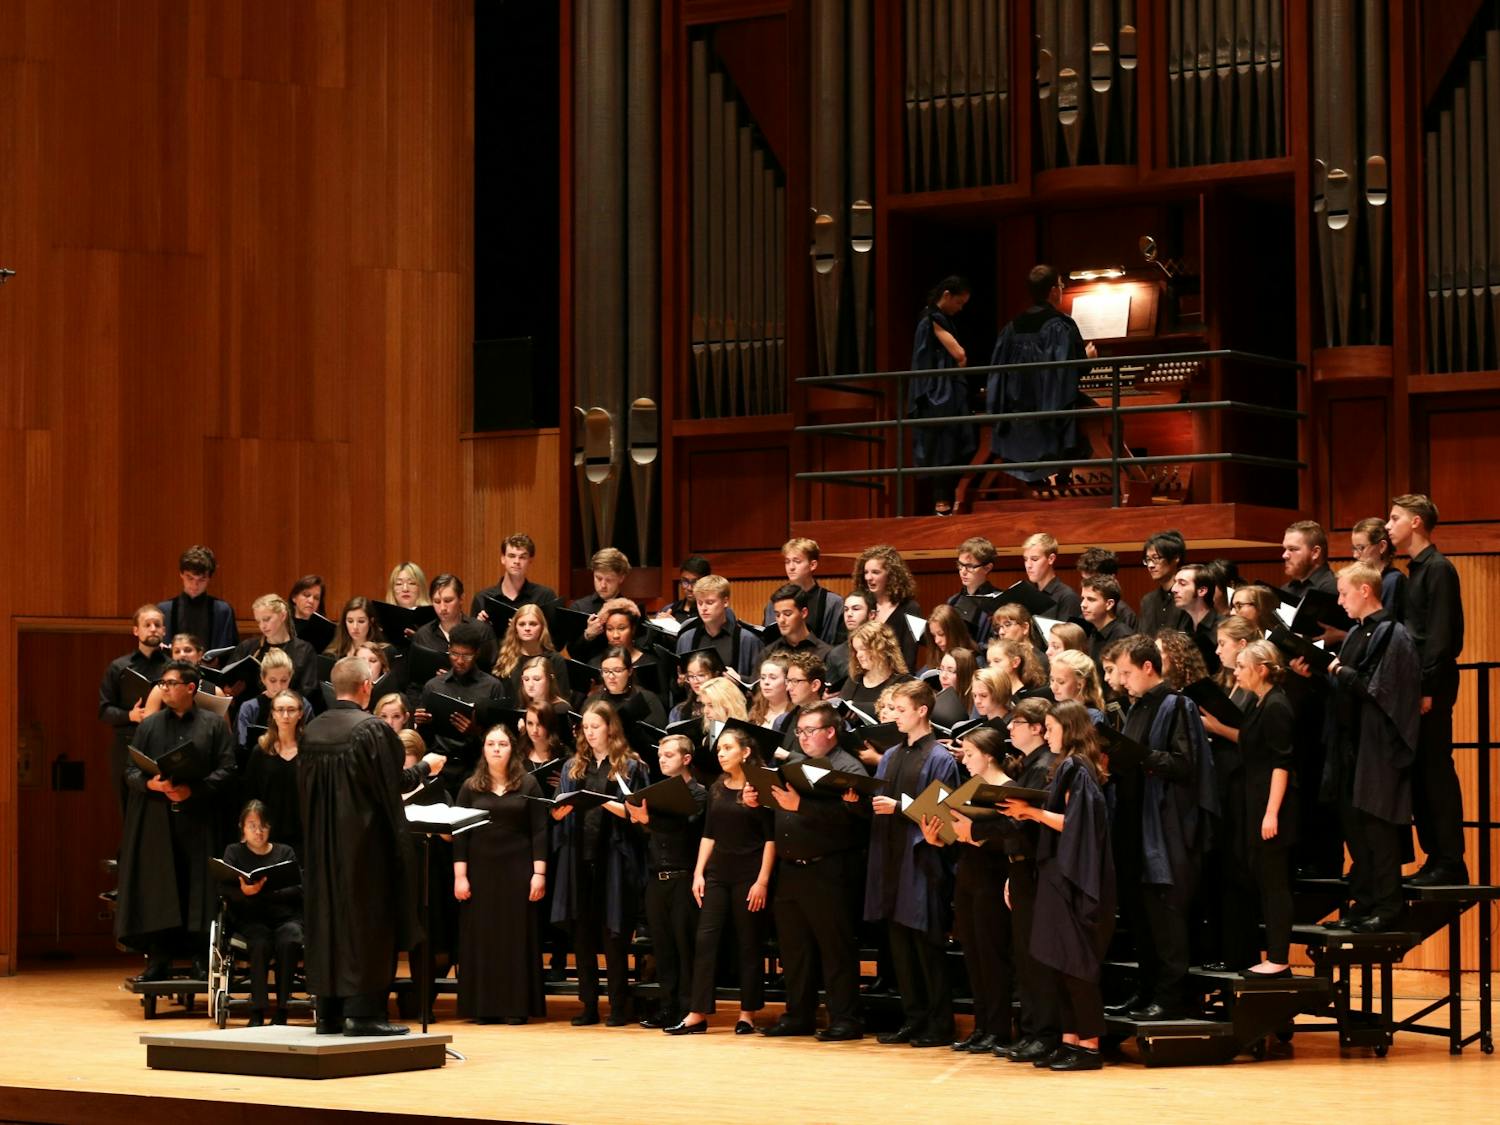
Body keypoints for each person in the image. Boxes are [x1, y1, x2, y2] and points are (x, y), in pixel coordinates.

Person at [298, 655, 443, 1036]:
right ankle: (363, 1014)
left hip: (320, 847)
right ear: (367, 687)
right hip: (363, 848)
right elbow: (392, 783)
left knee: (328, 921)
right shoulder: (371, 730)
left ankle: (328, 1011)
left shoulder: (311, 731)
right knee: (366, 924)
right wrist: (427, 767)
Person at [1001, 700, 1115, 1071]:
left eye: (1050, 728)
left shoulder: (1077, 768)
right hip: (1056, 875)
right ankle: (1070, 1041)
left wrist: (1029, 812)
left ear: (1069, 728)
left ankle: (1090, 1045)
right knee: (1060, 962)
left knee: (1077, 964)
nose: (1046, 734)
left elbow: (1075, 824)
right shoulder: (1065, 768)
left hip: (1073, 879)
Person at [1108, 637, 1215, 1022]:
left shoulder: (1177, 705)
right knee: (1141, 918)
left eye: (1126, 673)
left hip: (1165, 829)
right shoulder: (1135, 707)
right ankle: (1147, 990)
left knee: (1166, 918)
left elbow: (1186, 764)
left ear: (1148, 668)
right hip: (1133, 825)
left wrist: (1140, 756)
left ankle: (1172, 997)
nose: (1121, 681)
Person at [752, 702, 870, 1041]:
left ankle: (845, 1019)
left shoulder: (849, 769)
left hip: (829, 869)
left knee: (835, 948)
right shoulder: (795, 765)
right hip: (791, 870)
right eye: (799, 732)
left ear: (830, 732)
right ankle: (799, 1015)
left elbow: (857, 822)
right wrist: (760, 799)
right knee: (795, 949)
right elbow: (782, 811)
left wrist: (800, 806)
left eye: (809, 731)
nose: (802, 737)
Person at [116, 660, 237, 981]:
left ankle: (200, 957)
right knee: (160, 888)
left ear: (190, 688)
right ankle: (159, 959)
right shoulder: (150, 726)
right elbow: (130, 771)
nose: (164, 689)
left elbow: (227, 770)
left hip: (199, 819)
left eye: (171, 683)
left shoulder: (213, 725)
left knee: (198, 888)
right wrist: (149, 784)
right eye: (163, 684)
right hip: (158, 821)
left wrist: (192, 791)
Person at [1320, 563, 1422, 930]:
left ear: (1365, 590)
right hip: (1351, 745)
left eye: (1344, 593)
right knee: (1355, 827)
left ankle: (1389, 906)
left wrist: (1338, 672)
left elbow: (1381, 691)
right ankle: (1363, 903)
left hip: (1378, 748)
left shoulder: (1393, 635)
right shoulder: (1354, 635)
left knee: (1378, 827)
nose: (1340, 601)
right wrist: (1320, 671)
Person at [865, 680, 961, 1048]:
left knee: (926, 947)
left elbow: (944, 815)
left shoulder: (938, 757)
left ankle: (940, 1024)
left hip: (922, 863)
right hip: (890, 857)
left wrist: (900, 807)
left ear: (922, 711)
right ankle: (914, 1018)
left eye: (901, 710)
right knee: (900, 947)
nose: (895, 717)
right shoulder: (891, 755)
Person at [667, 724, 776, 1034]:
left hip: (749, 875)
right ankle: (698, 1012)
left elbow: (771, 840)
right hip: (718, 874)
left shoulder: (760, 789)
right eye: (719, 750)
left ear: (746, 752)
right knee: (705, 941)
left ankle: (747, 1014)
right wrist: (699, 872)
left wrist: (763, 881)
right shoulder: (717, 787)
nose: (721, 754)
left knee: (748, 942)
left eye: (728, 748)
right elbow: (709, 834)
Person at [550, 701, 649, 1025]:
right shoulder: (572, 767)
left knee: (614, 935)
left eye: (596, 727)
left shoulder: (630, 766)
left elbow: (639, 815)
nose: (590, 733)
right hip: (579, 858)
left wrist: (607, 803)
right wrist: (558, 812)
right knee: (583, 935)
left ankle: (619, 1006)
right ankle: (589, 1004)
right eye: (586, 728)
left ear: (610, 728)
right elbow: (559, 809)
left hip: (614, 859)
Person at [1386, 494, 1467, 886]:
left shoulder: (1439, 569)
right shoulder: (1415, 571)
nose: (1388, 526)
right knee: (1419, 774)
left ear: (1416, 522)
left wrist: (1427, 687)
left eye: (1395, 518)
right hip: (1415, 685)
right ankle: (1436, 857)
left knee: (1435, 772)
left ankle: (1450, 860)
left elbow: (1441, 636)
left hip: (1429, 686)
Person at [918, 726, 1015, 1054]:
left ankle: (999, 1030)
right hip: (969, 879)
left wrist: (970, 833)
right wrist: (939, 836)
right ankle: (981, 1027)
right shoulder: (971, 788)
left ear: (988, 756)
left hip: (993, 880)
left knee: (992, 958)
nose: (965, 760)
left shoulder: (1008, 789)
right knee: (973, 957)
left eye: (970, 754)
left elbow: (1009, 836)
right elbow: (957, 836)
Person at [453, 722, 548, 1024]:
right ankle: (484, 1007)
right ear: (483, 749)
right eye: (491, 744)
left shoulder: (528, 784)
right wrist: (460, 876)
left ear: (512, 749)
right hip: (480, 871)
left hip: (518, 869)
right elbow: (459, 835)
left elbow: (540, 831)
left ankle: (515, 1006)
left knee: (515, 937)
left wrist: (539, 873)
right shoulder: (469, 786)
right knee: (482, 937)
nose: (496, 749)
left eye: (503, 744)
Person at [992, 698, 1060, 1063]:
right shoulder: (1027, 766)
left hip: (1036, 869)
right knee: (1024, 954)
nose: (1009, 729)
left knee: (1037, 956)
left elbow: (1026, 821)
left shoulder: (1044, 766)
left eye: (1016, 722)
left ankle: (1044, 1033)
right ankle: (1033, 1030)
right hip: (1020, 867)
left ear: (1037, 727)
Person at [986, 264, 1096, 486]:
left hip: (1017, 410)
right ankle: (1067, 472)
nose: (1062, 289)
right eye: (1062, 285)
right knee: (1102, 416)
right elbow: (1076, 370)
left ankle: (1040, 477)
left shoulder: (1011, 328)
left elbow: (997, 373)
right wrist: (1089, 358)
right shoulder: (1060, 325)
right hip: (1050, 412)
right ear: (1054, 290)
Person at [625, 734, 707, 1028]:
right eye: (661, 755)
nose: (663, 759)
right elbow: (648, 837)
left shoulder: (699, 794)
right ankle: (668, 1007)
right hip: (655, 878)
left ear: (686, 759)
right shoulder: (655, 794)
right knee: (663, 948)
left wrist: (648, 821)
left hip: (683, 878)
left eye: (670, 755)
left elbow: (688, 831)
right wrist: (637, 821)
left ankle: (688, 1009)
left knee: (685, 947)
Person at [1232, 640, 1297, 976]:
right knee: (1262, 879)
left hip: (1272, 807)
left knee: (1274, 883)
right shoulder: (1258, 704)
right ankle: (1271, 954)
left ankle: (1279, 957)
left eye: (1241, 666)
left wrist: (1271, 812)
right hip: (1255, 801)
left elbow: (1280, 764)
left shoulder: (1276, 706)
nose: (1236, 672)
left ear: (1261, 669)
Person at [222, 800, 303, 1026]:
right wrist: (247, 893)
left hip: (284, 917)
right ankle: (257, 1010)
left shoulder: (285, 851)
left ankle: (283, 1010)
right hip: (251, 919)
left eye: (263, 826)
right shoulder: (234, 852)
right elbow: (225, 889)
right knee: (259, 944)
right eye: (252, 826)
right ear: (242, 827)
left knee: (290, 940)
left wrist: (262, 892)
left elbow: (298, 888)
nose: (258, 832)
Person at [908, 275, 975, 515]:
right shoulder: (933, 318)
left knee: (945, 443)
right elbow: (959, 354)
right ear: (946, 295)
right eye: (959, 302)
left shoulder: (929, 318)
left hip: (938, 388)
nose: (960, 308)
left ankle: (946, 500)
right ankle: (943, 502)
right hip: (939, 391)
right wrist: (960, 361)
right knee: (944, 444)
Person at [414, 622, 505, 790]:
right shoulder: (433, 686)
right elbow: (425, 740)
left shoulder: (493, 686)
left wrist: (474, 733)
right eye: (454, 654)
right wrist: (421, 724)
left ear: (477, 653)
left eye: (467, 655)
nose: (460, 661)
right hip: (439, 766)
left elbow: (501, 736)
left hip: (475, 768)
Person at [99, 604, 169, 813]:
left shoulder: (173, 668)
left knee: (160, 811)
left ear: (164, 631)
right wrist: (130, 715)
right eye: (147, 625)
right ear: (136, 631)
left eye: (157, 625)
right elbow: (104, 711)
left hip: (163, 746)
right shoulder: (119, 667)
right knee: (128, 809)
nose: (153, 629)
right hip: (127, 745)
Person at [228, 594, 320, 715]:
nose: (262, 626)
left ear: (282, 615)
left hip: (288, 715)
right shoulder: (248, 647)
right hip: (253, 713)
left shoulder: (304, 650)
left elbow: (308, 691)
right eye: (259, 621)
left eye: (266, 619)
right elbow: (229, 678)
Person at [242, 690, 307, 857]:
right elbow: (251, 793)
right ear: (273, 714)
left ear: (300, 714)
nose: (285, 715)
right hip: (267, 834)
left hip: (303, 833)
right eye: (280, 710)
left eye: (291, 710)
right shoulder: (260, 751)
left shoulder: (310, 751)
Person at [674, 574, 764, 682]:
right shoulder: (686, 639)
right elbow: (676, 686)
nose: (703, 608)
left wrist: (740, 680)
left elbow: (761, 682)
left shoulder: (747, 640)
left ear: (725, 602)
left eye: (709, 602)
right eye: (700, 603)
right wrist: (681, 682)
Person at [851, 545, 923, 670]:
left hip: (897, 680)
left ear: (891, 575)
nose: (868, 577)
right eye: (866, 572)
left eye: (875, 572)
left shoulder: (912, 608)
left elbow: (910, 656)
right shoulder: (863, 606)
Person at [762, 538, 845, 645]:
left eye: (797, 561)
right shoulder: (774, 603)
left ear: (812, 565)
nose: (791, 567)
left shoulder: (833, 603)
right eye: (787, 562)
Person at [158, 545, 239, 653]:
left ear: (209, 578)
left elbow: (231, 652)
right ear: (181, 574)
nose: (195, 585)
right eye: (190, 578)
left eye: (202, 579)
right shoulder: (164, 610)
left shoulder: (223, 611)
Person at [412, 573, 499, 674]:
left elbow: (494, 675)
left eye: (448, 600)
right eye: (437, 601)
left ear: (461, 599)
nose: (442, 608)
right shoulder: (422, 635)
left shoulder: (481, 631)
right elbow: (415, 683)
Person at [235, 649, 313, 754]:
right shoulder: (250, 707)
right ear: (263, 679)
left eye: (284, 680)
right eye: (272, 681)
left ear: (290, 677)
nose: (279, 687)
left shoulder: (303, 705)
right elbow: (241, 746)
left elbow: (311, 743)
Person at [568, 548, 634, 665]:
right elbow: (573, 652)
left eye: (609, 580)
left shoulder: (631, 609)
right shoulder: (579, 607)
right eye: (598, 578)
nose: (602, 585)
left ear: (621, 578)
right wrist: (588, 635)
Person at [471, 532, 560, 619]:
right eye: (512, 556)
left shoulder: (544, 597)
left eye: (522, 557)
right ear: (503, 559)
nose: (517, 561)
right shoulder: (482, 598)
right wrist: (480, 626)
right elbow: (473, 633)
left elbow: (554, 632)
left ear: (530, 560)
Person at [494, 603, 570, 700]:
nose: (527, 628)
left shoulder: (555, 660)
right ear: (515, 628)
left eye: (533, 624)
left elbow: (563, 698)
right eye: (522, 624)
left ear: (542, 628)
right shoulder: (505, 656)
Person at [1170, 562, 1223, 674]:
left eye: (1182, 584)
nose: (1174, 589)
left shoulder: (1223, 628)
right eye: (1175, 582)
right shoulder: (1181, 626)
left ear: (1202, 591)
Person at [1351, 517, 1407, 620]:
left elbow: (1385, 627)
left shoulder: (1393, 581)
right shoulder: (1366, 582)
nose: (1355, 555)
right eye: (1354, 548)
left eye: (1361, 548)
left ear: (1382, 546)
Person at [763, 584, 834, 663]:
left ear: (804, 613)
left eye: (787, 614)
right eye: (777, 615)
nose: (781, 620)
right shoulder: (768, 653)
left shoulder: (826, 654)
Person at [948, 536, 999, 645]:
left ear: (987, 568)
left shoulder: (999, 600)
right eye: (960, 565)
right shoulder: (953, 601)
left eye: (970, 566)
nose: (963, 571)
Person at [845, 621, 911, 706]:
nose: (858, 655)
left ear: (881, 648)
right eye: (856, 650)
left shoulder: (903, 683)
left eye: (863, 649)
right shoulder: (855, 680)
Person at [1138, 531, 1191, 636]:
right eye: (1147, 560)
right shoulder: (1148, 601)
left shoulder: (1188, 597)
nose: (1150, 565)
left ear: (1176, 558)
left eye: (1156, 558)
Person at [1022, 533, 1082, 619]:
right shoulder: (1027, 594)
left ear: (1051, 559)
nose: (1028, 565)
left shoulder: (1067, 597)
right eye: (1025, 559)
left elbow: (1068, 632)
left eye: (1034, 559)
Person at [1077, 547, 1139, 630]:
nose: (1087, 586)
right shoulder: (1085, 610)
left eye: (1093, 580)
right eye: (1085, 580)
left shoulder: (1126, 616)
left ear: (1111, 578)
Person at [1080, 575, 1133, 671]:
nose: (1083, 604)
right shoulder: (1094, 632)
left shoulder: (1123, 637)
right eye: (1083, 598)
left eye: (1091, 599)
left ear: (1109, 604)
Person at [748, 654, 796, 732]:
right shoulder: (756, 709)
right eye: (763, 678)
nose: (766, 682)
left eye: (773, 678)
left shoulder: (794, 715)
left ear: (787, 681)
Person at [659, 556, 712, 623]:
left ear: (707, 582)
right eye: (685, 581)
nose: (689, 588)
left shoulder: (717, 611)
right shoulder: (669, 609)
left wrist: (674, 626)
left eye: (695, 582)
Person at [932, 648, 976, 728]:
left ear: (965, 675)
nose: (943, 676)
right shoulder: (935, 700)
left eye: (951, 671)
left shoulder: (977, 704)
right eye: (941, 669)